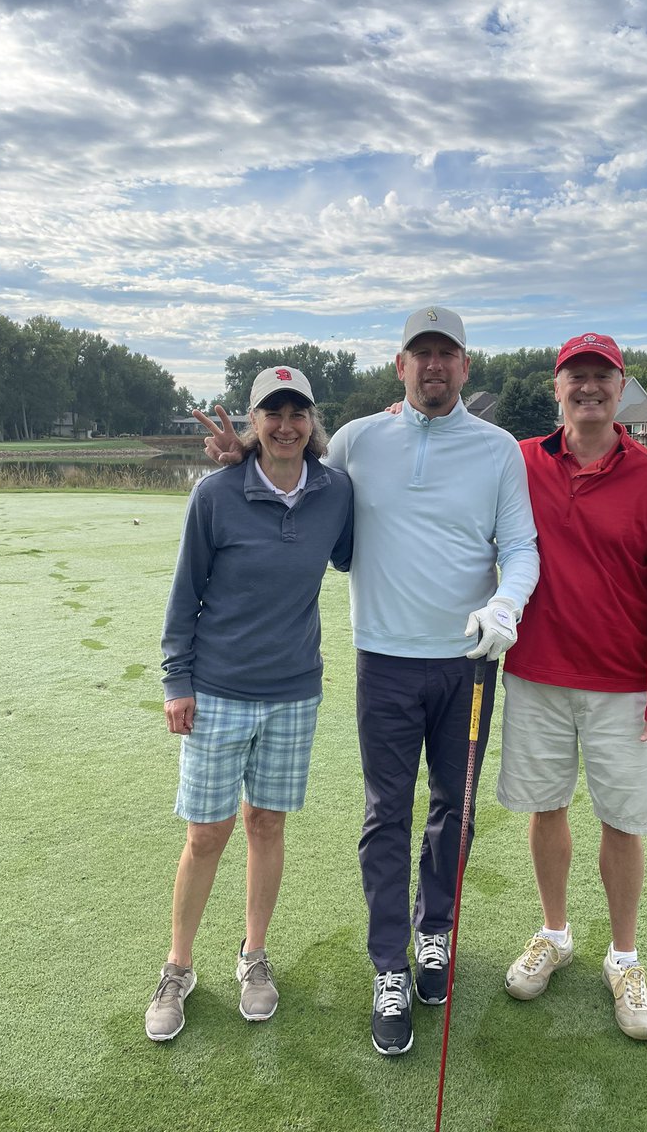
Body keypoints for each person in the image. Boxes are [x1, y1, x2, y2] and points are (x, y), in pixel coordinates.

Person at [194, 307, 539, 1056]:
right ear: (400, 366)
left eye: (447, 354)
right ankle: (390, 965)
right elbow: (292, 479)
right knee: (388, 814)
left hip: (470, 659)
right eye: (422, 354)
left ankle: (435, 933)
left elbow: (519, 545)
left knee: (458, 806)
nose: (435, 366)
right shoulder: (356, 439)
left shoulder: (498, 450)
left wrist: (508, 603)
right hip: (383, 658)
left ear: (465, 366)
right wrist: (236, 459)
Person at [144, 367, 353, 1042]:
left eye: (298, 413)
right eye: (273, 413)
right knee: (206, 833)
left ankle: (253, 955)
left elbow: (349, 555)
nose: (286, 425)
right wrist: (177, 681)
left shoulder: (334, 491)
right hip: (218, 692)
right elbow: (185, 594)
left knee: (267, 825)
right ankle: (179, 967)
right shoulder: (215, 495)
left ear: (311, 421)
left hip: (294, 692)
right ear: (255, 421)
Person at [498, 332, 647, 1040]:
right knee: (545, 808)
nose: (588, 388)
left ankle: (624, 956)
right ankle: (554, 933)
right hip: (537, 675)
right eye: (575, 376)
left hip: (621, 685)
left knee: (621, 820)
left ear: (621, 388)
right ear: (557, 388)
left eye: (601, 377)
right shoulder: (517, 462)